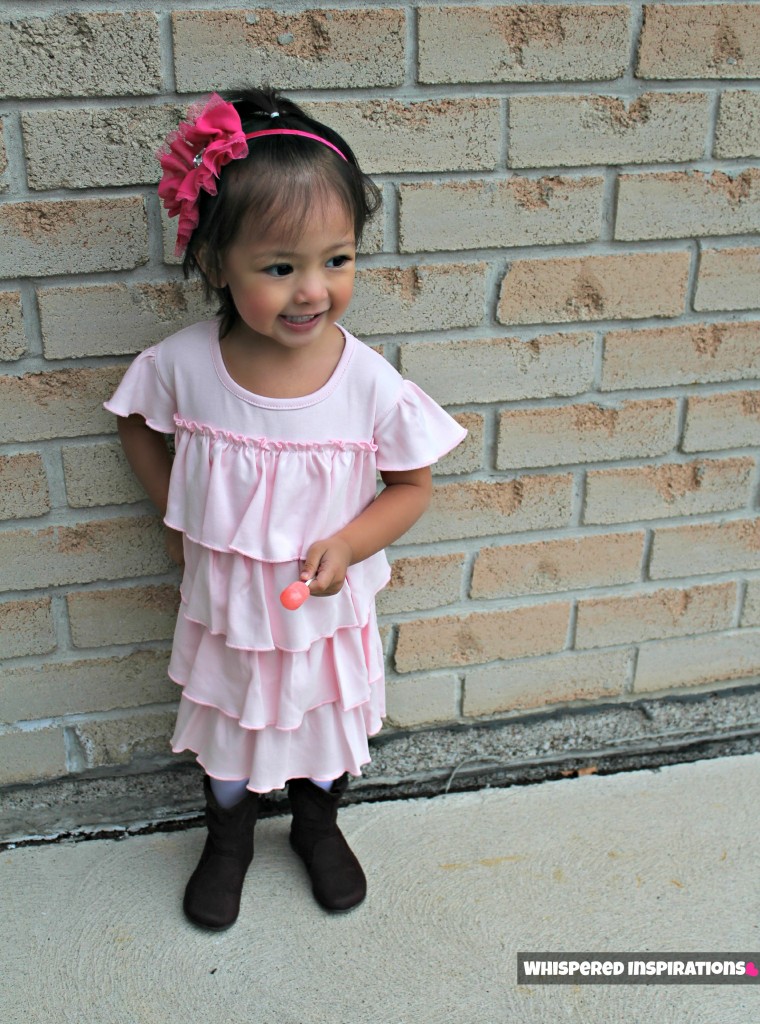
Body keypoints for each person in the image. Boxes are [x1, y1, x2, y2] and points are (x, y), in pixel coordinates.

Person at [105, 88, 467, 930]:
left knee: (321, 724)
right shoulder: (187, 365)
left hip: (325, 613)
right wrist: (179, 515)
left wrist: (349, 542)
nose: (312, 291)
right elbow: (134, 424)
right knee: (230, 724)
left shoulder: (368, 381)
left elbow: (411, 486)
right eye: (279, 267)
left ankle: (317, 823)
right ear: (215, 263)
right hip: (231, 609)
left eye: (336, 260)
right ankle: (227, 835)